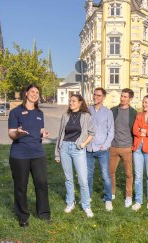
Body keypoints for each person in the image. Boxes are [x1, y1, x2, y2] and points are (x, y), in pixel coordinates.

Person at [7, 84, 51, 227]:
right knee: (21, 186)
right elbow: (11, 134)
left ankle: (44, 214)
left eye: (37, 92)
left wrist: (43, 133)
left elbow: (40, 129)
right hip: (20, 155)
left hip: (38, 153)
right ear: (26, 93)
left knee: (42, 183)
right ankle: (22, 216)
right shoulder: (15, 112)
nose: (34, 94)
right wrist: (17, 133)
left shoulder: (40, 113)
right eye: (32, 92)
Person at [55, 94, 95, 218]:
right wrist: (57, 153)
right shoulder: (65, 116)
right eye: (70, 101)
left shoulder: (86, 116)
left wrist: (83, 144)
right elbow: (60, 134)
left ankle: (86, 206)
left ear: (80, 103)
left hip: (78, 149)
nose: (71, 103)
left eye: (73, 101)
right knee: (68, 178)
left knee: (83, 180)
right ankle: (70, 202)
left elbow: (92, 133)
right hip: (65, 148)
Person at [86, 88, 115, 211]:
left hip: (102, 149)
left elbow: (111, 131)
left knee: (105, 175)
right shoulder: (88, 110)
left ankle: (108, 199)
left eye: (99, 95)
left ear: (103, 97)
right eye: (95, 95)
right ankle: (88, 196)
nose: (96, 97)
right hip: (89, 148)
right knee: (88, 174)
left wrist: (106, 145)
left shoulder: (108, 113)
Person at [109, 88, 137, 208]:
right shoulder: (112, 111)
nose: (122, 98)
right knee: (110, 172)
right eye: (122, 96)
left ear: (130, 99)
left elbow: (135, 130)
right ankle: (112, 192)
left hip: (127, 148)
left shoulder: (134, 113)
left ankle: (129, 196)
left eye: (125, 97)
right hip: (113, 147)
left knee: (129, 174)